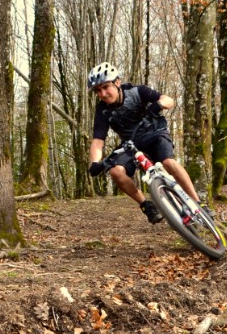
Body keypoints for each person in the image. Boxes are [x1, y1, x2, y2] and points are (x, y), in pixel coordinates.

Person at [86, 62, 204, 224]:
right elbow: (98, 141)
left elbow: (168, 100)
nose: (103, 93)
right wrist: (94, 162)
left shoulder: (137, 91)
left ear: (117, 82)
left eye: (106, 87)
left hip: (155, 133)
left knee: (169, 163)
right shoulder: (102, 111)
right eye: (98, 91)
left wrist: (159, 105)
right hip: (132, 144)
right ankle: (146, 205)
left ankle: (198, 203)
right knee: (115, 172)